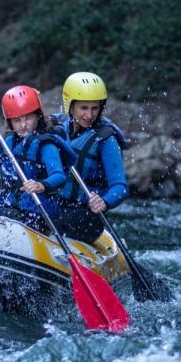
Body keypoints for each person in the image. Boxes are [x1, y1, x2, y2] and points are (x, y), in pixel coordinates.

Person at [0, 85, 66, 232]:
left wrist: (41, 185)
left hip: (35, 215)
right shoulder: (9, 143)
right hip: (11, 209)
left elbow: (59, 176)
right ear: (10, 122)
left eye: (27, 118)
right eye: (16, 120)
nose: (23, 125)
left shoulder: (46, 145)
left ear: (37, 116)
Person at [51, 72, 129, 244]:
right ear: (70, 106)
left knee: (61, 222)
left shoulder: (106, 139)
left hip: (85, 215)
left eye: (95, 108)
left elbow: (120, 187)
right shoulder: (57, 125)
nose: (89, 115)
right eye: (83, 108)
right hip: (56, 204)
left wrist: (105, 202)